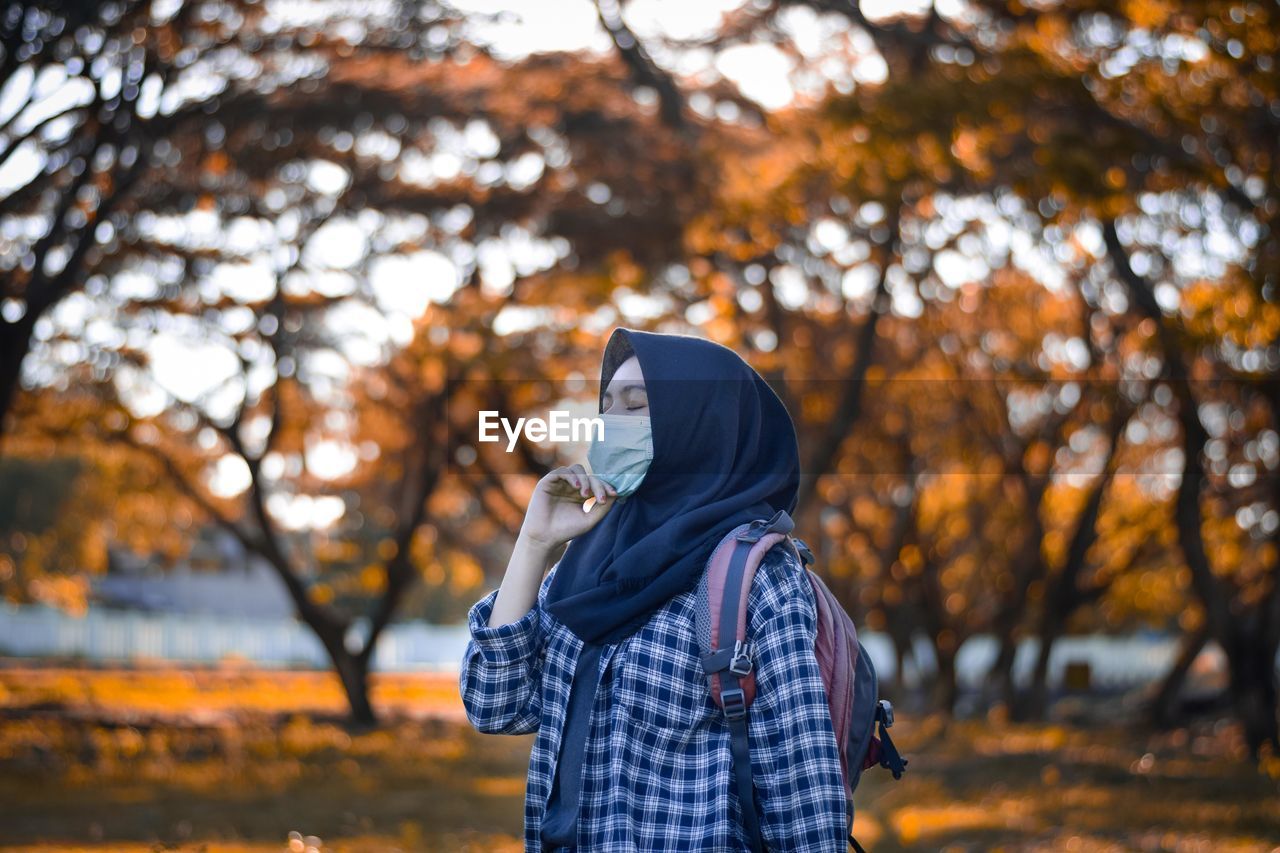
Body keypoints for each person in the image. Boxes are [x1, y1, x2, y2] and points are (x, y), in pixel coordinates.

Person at [459, 327, 848, 852]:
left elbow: (806, 801)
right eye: (607, 405)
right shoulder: (591, 561)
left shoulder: (758, 577)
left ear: (700, 426)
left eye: (637, 406)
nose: (611, 424)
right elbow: (495, 705)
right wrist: (534, 541)